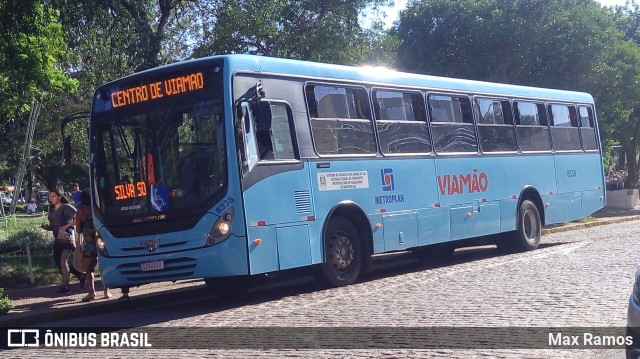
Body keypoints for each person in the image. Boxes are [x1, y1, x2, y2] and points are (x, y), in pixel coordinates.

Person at [41, 188, 85, 294]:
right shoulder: (51, 209)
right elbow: (54, 225)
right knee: (58, 263)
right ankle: (80, 275)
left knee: (62, 261)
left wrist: (66, 226)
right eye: (50, 197)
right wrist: (47, 227)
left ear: (59, 197)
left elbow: (78, 218)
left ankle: (65, 286)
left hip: (66, 237)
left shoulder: (66, 207)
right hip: (57, 238)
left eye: (54, 196)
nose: (51, 198)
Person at [75, 189, 110, 302]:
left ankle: (92, 292)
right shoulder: (98, 209)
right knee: (104, 266)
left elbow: (79, 229)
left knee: (89, 269)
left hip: (89, 243)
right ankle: (106, 292)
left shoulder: (81, 212)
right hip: (101, 240)